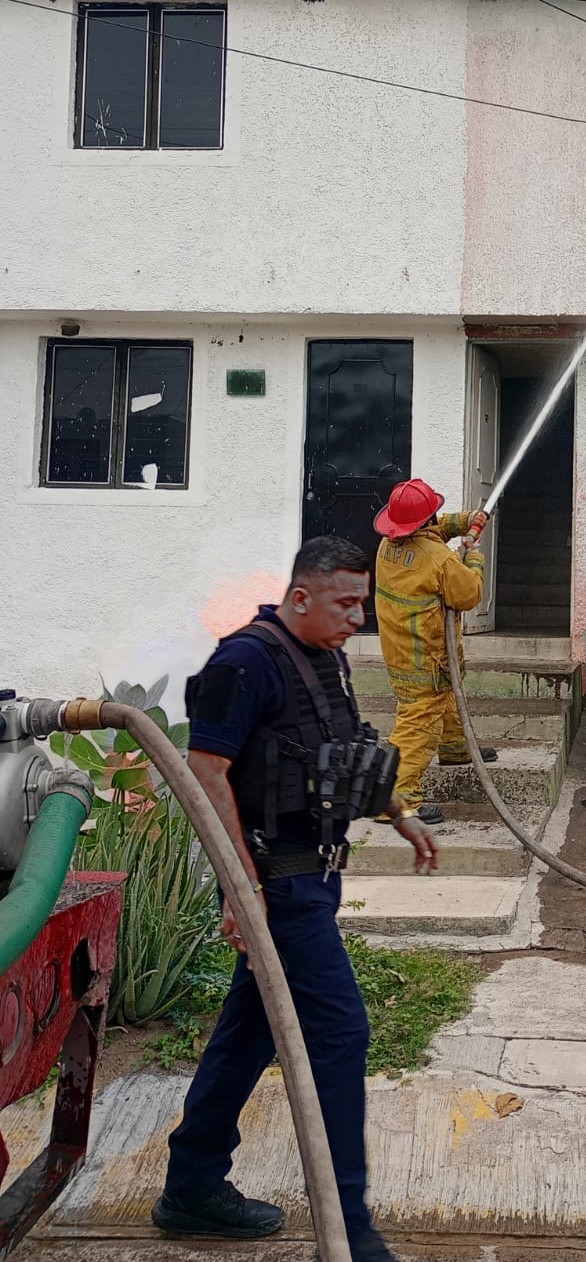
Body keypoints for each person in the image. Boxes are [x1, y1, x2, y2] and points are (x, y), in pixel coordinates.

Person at [152, 535, 437, 1262]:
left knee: (248, 1033)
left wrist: (397, 812)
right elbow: (206, 773)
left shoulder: (325, 656)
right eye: (347, 603)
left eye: (363, 603)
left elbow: (341, 748)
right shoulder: (244, 661)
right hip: (279, 887)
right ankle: (347, 1228)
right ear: (302, 597)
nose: (358, 617)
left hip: (316, 874)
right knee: (341, 1034)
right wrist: (240, 887)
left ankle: (191, 1185)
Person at [373, 479, 494, 824]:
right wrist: (474, 558)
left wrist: (468, 520)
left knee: (447, 696)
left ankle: (456, 747)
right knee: (418, 724)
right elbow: (468, 594)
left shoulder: (388, 547)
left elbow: (433, 531)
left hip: (401, 653)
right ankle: (396, 799)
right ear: (428, 518)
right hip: (427, 656)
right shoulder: (438, 559)